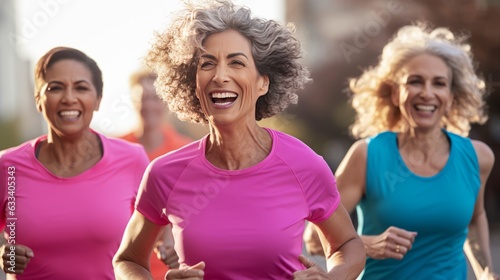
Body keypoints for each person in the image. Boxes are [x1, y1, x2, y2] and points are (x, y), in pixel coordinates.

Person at [113, 1, 366, 279]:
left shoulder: (303, 164)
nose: (220, 76)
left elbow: (347, 244)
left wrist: (332, 278)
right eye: (207, 64)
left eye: (236, 62)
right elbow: (128, 260)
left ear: (263, 82)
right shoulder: (165, 173)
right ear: (193, 84)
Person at [304, 24, 499, 279]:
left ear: (451, 96)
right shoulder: (367, 155)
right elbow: (313, 239)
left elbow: (473, 220)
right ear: (396, 93)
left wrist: (486, 271)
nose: (427, 93)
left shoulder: (478, 157)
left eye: (439, 83)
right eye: (415, 81)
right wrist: (367, 244)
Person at [0, 47, 149, 279]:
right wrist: (4, 255)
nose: (69, 98)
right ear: (38, 100)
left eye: (81, 87)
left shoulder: (132, 160)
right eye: (55, 88)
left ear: (97, 99)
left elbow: (161, 233)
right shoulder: (7, 166)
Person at [120, 68, 194, 279]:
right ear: (133, 101)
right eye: (142, 98)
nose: (148, 105)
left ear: (167, 102)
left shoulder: (185, 152)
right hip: (124, 270)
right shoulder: (116, 151)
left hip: (172, 270)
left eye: (155, 98)